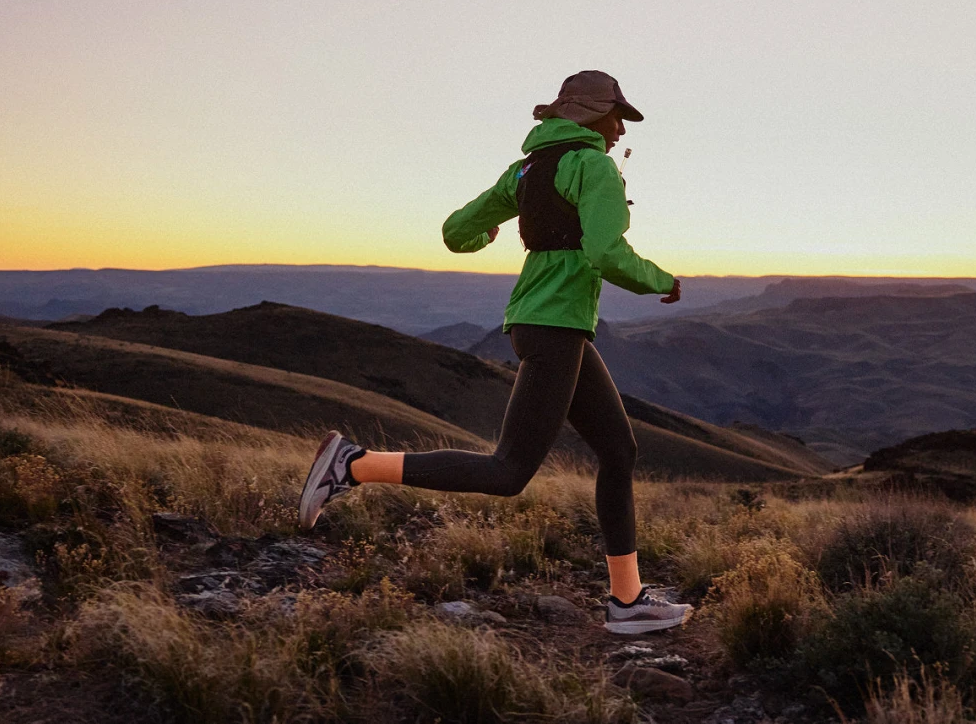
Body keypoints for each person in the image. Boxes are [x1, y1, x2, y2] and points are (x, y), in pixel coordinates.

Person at [296, 70, 692, 634]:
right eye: (615, 117)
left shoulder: (527, 170)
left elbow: (457, 230)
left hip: (542, 323)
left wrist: (489, 235)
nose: (617, 130)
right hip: (554, 328)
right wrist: (660, 280)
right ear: (587, 114)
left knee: (619, 451)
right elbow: (605, 251)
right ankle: (353, 466)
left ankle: (627, 603)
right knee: (508, 472)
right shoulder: (594, 166)